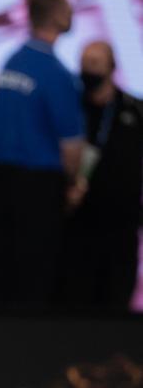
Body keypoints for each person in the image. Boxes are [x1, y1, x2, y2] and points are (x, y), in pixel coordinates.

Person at [0, 0, 86, 306]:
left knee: (3, 271)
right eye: (66, 7)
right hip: (38, 189)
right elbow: (72, 146)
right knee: (34, 278)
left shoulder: (12, 62)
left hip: (1, 181)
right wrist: (72, 182)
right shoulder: (55, 74)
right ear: (55, 15)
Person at [61, 41, 143, 308]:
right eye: (84, 63)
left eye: (95, 63)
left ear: (111, 66)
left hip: (120, 228)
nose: (88, 70)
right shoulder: (70, 107)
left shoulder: (135, 109)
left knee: (115, 305)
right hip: (76, 226)